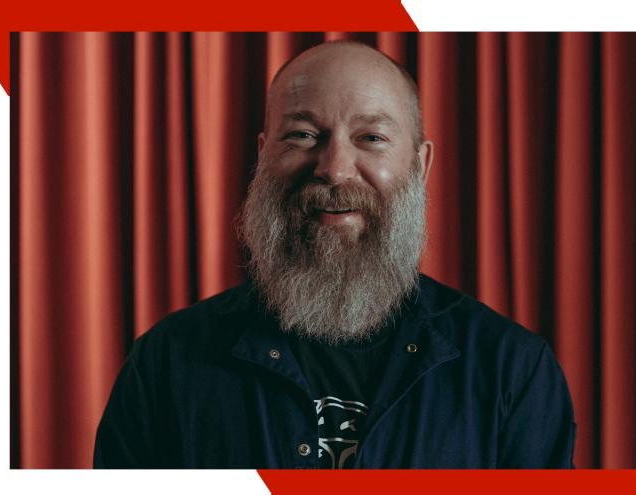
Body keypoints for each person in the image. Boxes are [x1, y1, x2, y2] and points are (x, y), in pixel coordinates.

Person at [94, 41, 576, 469]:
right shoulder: (167, 360)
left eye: (371, 138)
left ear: (420, 164)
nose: (334, 169)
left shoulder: (512, 368)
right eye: (303, 135)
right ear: (263, 156)